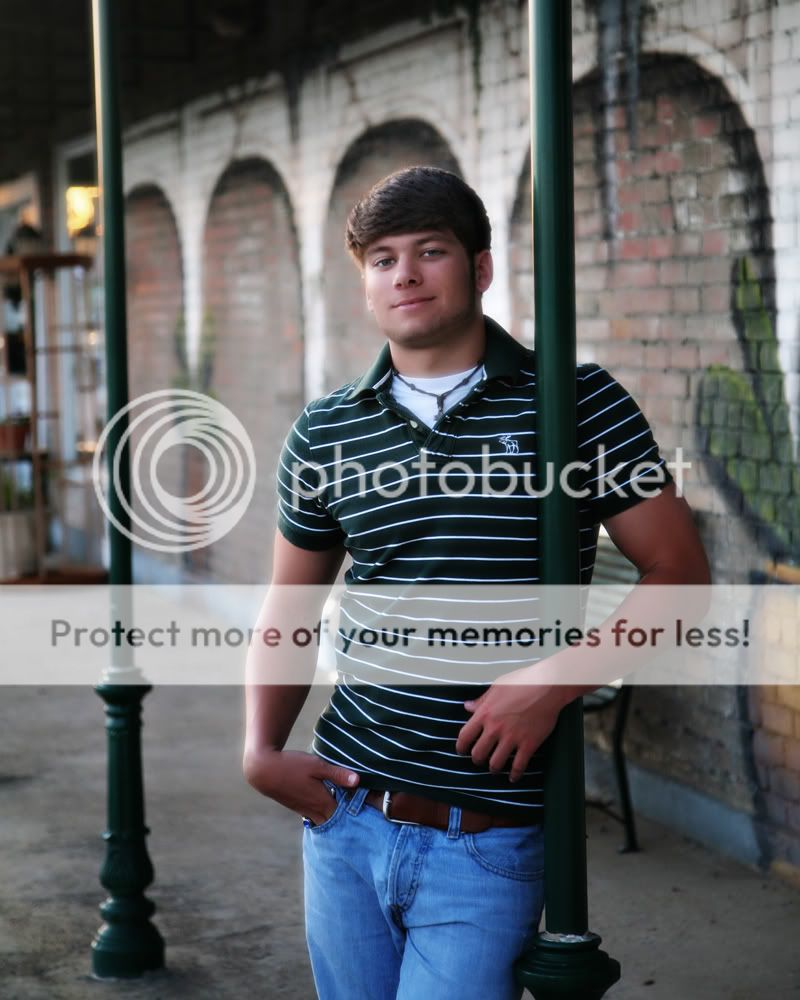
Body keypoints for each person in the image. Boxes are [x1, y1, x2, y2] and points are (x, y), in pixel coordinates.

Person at [243, 166, 710, 1000]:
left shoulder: (575, 402)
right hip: (345, 816)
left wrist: (551, 684)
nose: (405, 275)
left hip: (486, 836)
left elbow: (679, 574)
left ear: (481, 267)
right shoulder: (327, 428)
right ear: (365, 283)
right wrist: (260, 752)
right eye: (382, 259)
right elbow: (291, 606)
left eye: (430, 251)